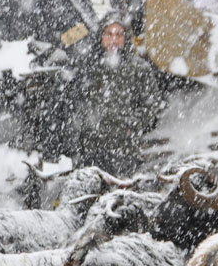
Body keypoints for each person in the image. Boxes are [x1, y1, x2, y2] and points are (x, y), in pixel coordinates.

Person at [69, 16, 163, 175]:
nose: (114, 39)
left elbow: (151, 104)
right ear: (101, 36)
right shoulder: (87, 68)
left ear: (126, 38)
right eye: (109, 34)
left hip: (125, 149)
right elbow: (74, 104)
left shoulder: (140, 68)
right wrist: (79, 133)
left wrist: (133, 124)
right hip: (91, 149)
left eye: (119, 34)